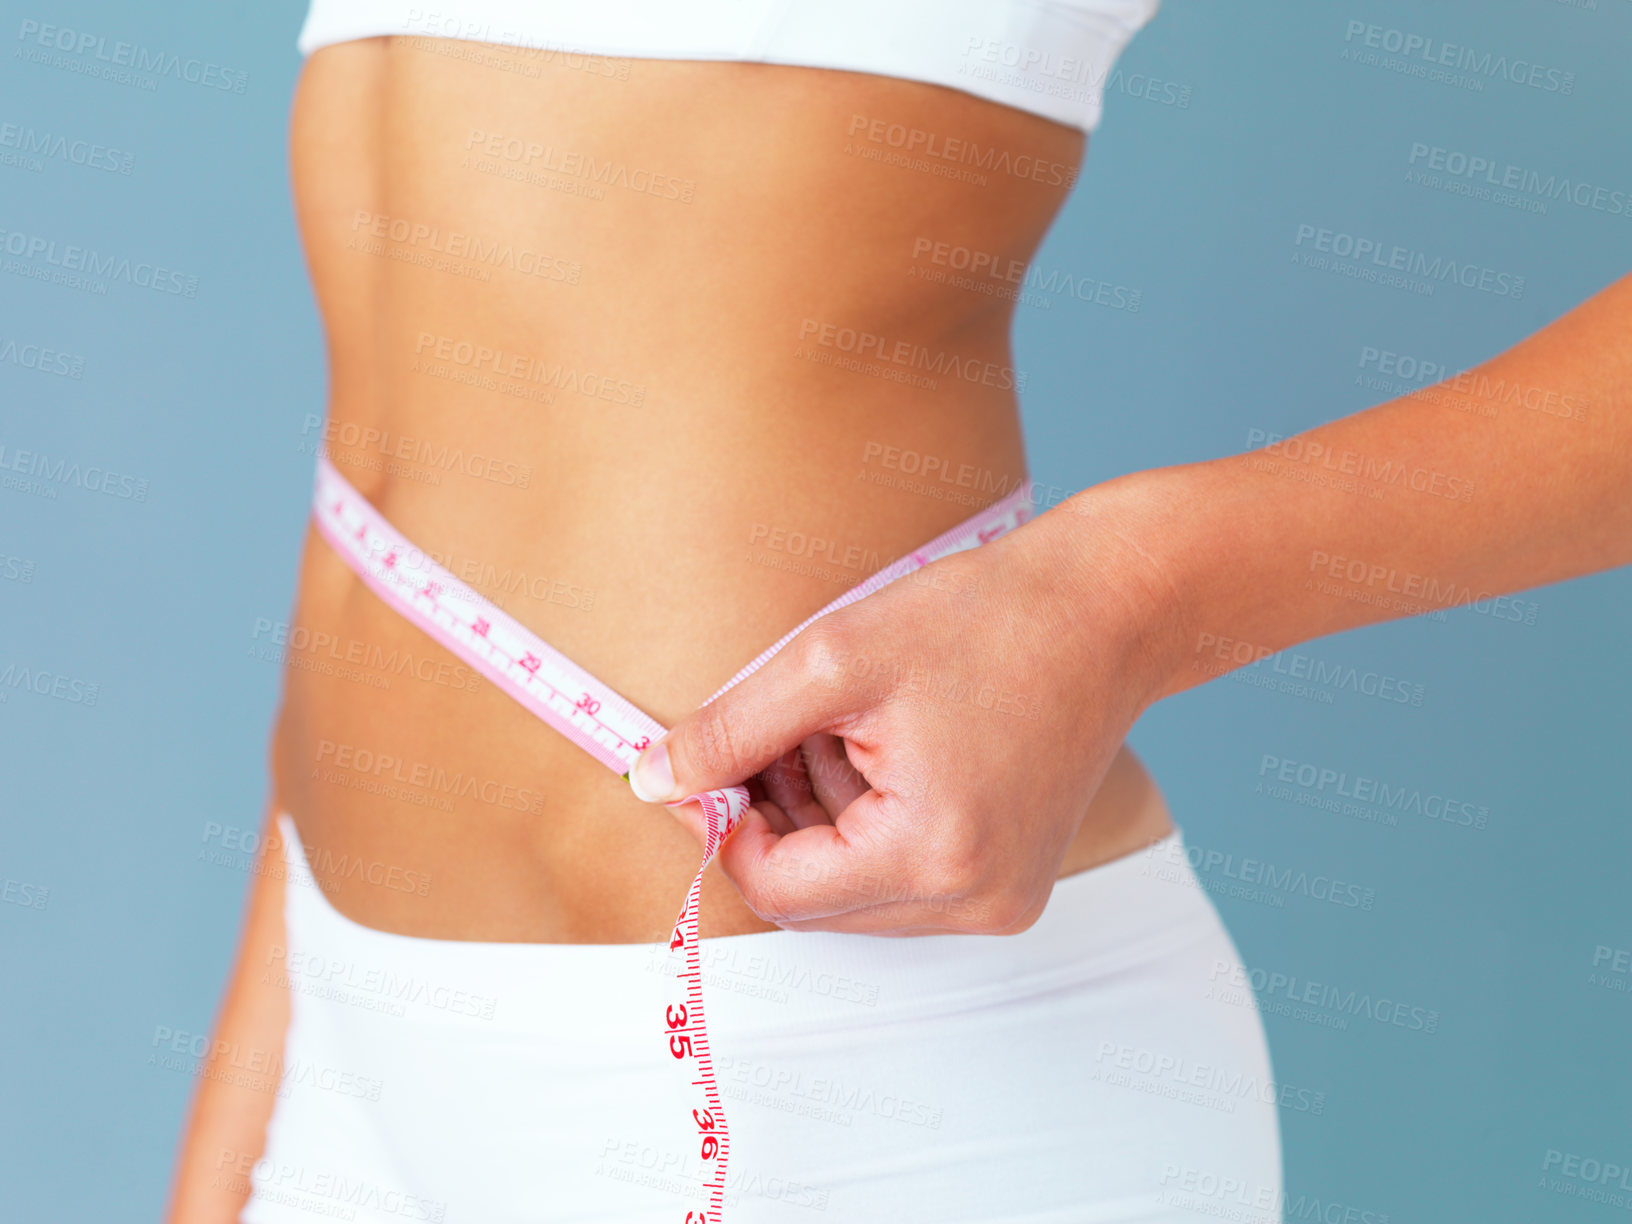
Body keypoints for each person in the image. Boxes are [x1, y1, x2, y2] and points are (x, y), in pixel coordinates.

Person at [167, 2, 1632, 1221]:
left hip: (864, 1071)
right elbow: (424, 429)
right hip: (353, 1039)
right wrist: (260, 1079)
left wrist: (1126, 592)